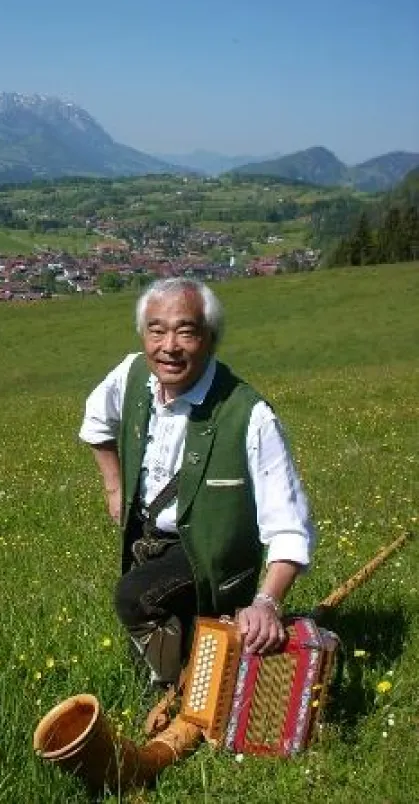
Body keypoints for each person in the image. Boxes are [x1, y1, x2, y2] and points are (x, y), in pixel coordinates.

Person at [79, 276, 314, 687]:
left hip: (211, 555)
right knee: (147, 642)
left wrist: (267, 602)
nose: (169, 346)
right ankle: (184, 671)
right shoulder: (132, 375)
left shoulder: (249, 416)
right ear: (143, 335)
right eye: (156, 330)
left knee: (134, 598)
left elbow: (291, 527)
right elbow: (96, 422)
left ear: (211, 338)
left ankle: (185, 690)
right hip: (152, 542)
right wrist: (114, 487)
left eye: (185, 331)